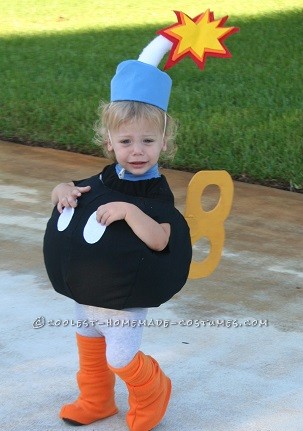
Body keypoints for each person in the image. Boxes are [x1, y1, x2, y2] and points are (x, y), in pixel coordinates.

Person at [43, 59, 192, 431]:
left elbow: (160, 239)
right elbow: (77, 189)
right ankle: (96, 400)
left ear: (165, 143)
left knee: (121, 355)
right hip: (86, 287)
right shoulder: (107, 177)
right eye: (126, 141)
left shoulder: (155, 191)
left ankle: (153, 389)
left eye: (148, 141)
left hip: (124, 296)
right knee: (89, 343)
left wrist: (129, 211)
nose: (137, 151)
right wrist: (61, 190)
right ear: (109, 142)